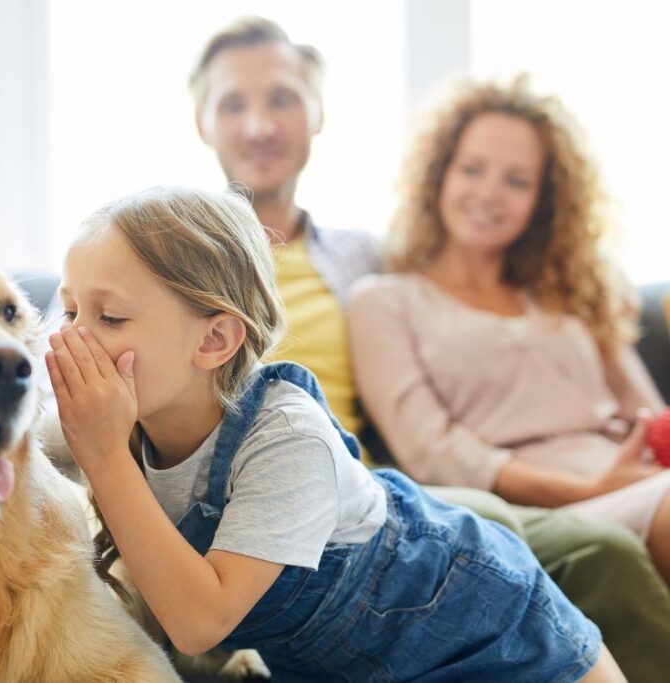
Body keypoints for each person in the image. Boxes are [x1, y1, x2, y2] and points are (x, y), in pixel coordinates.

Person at [185, 16, 670, 681]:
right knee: (555, 536)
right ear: (201, 122)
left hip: (372, 486)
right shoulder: (178, 257)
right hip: (278, 486)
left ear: (319, 114)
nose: (261, 125)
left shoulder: (362, 258)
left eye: (283, 100)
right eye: (234, 104)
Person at [46, 185, 622, 681]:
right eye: (70, 312)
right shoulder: (111, 419)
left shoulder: (287, 438)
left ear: (214, 340)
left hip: (484, 632)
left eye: (110, 318)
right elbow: (4, 448)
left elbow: (200, 622)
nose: (73, 340)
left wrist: (104, 456)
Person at [346, 77, 670, 584]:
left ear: (543, 200)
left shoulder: (569, 295)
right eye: (472, 169)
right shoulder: (384, 301)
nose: (488, 194)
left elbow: (647, 414)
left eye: (516, 181)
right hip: (537, 509)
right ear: (439, 175)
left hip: (631, 477)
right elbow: (434, 452)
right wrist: (591, 490)